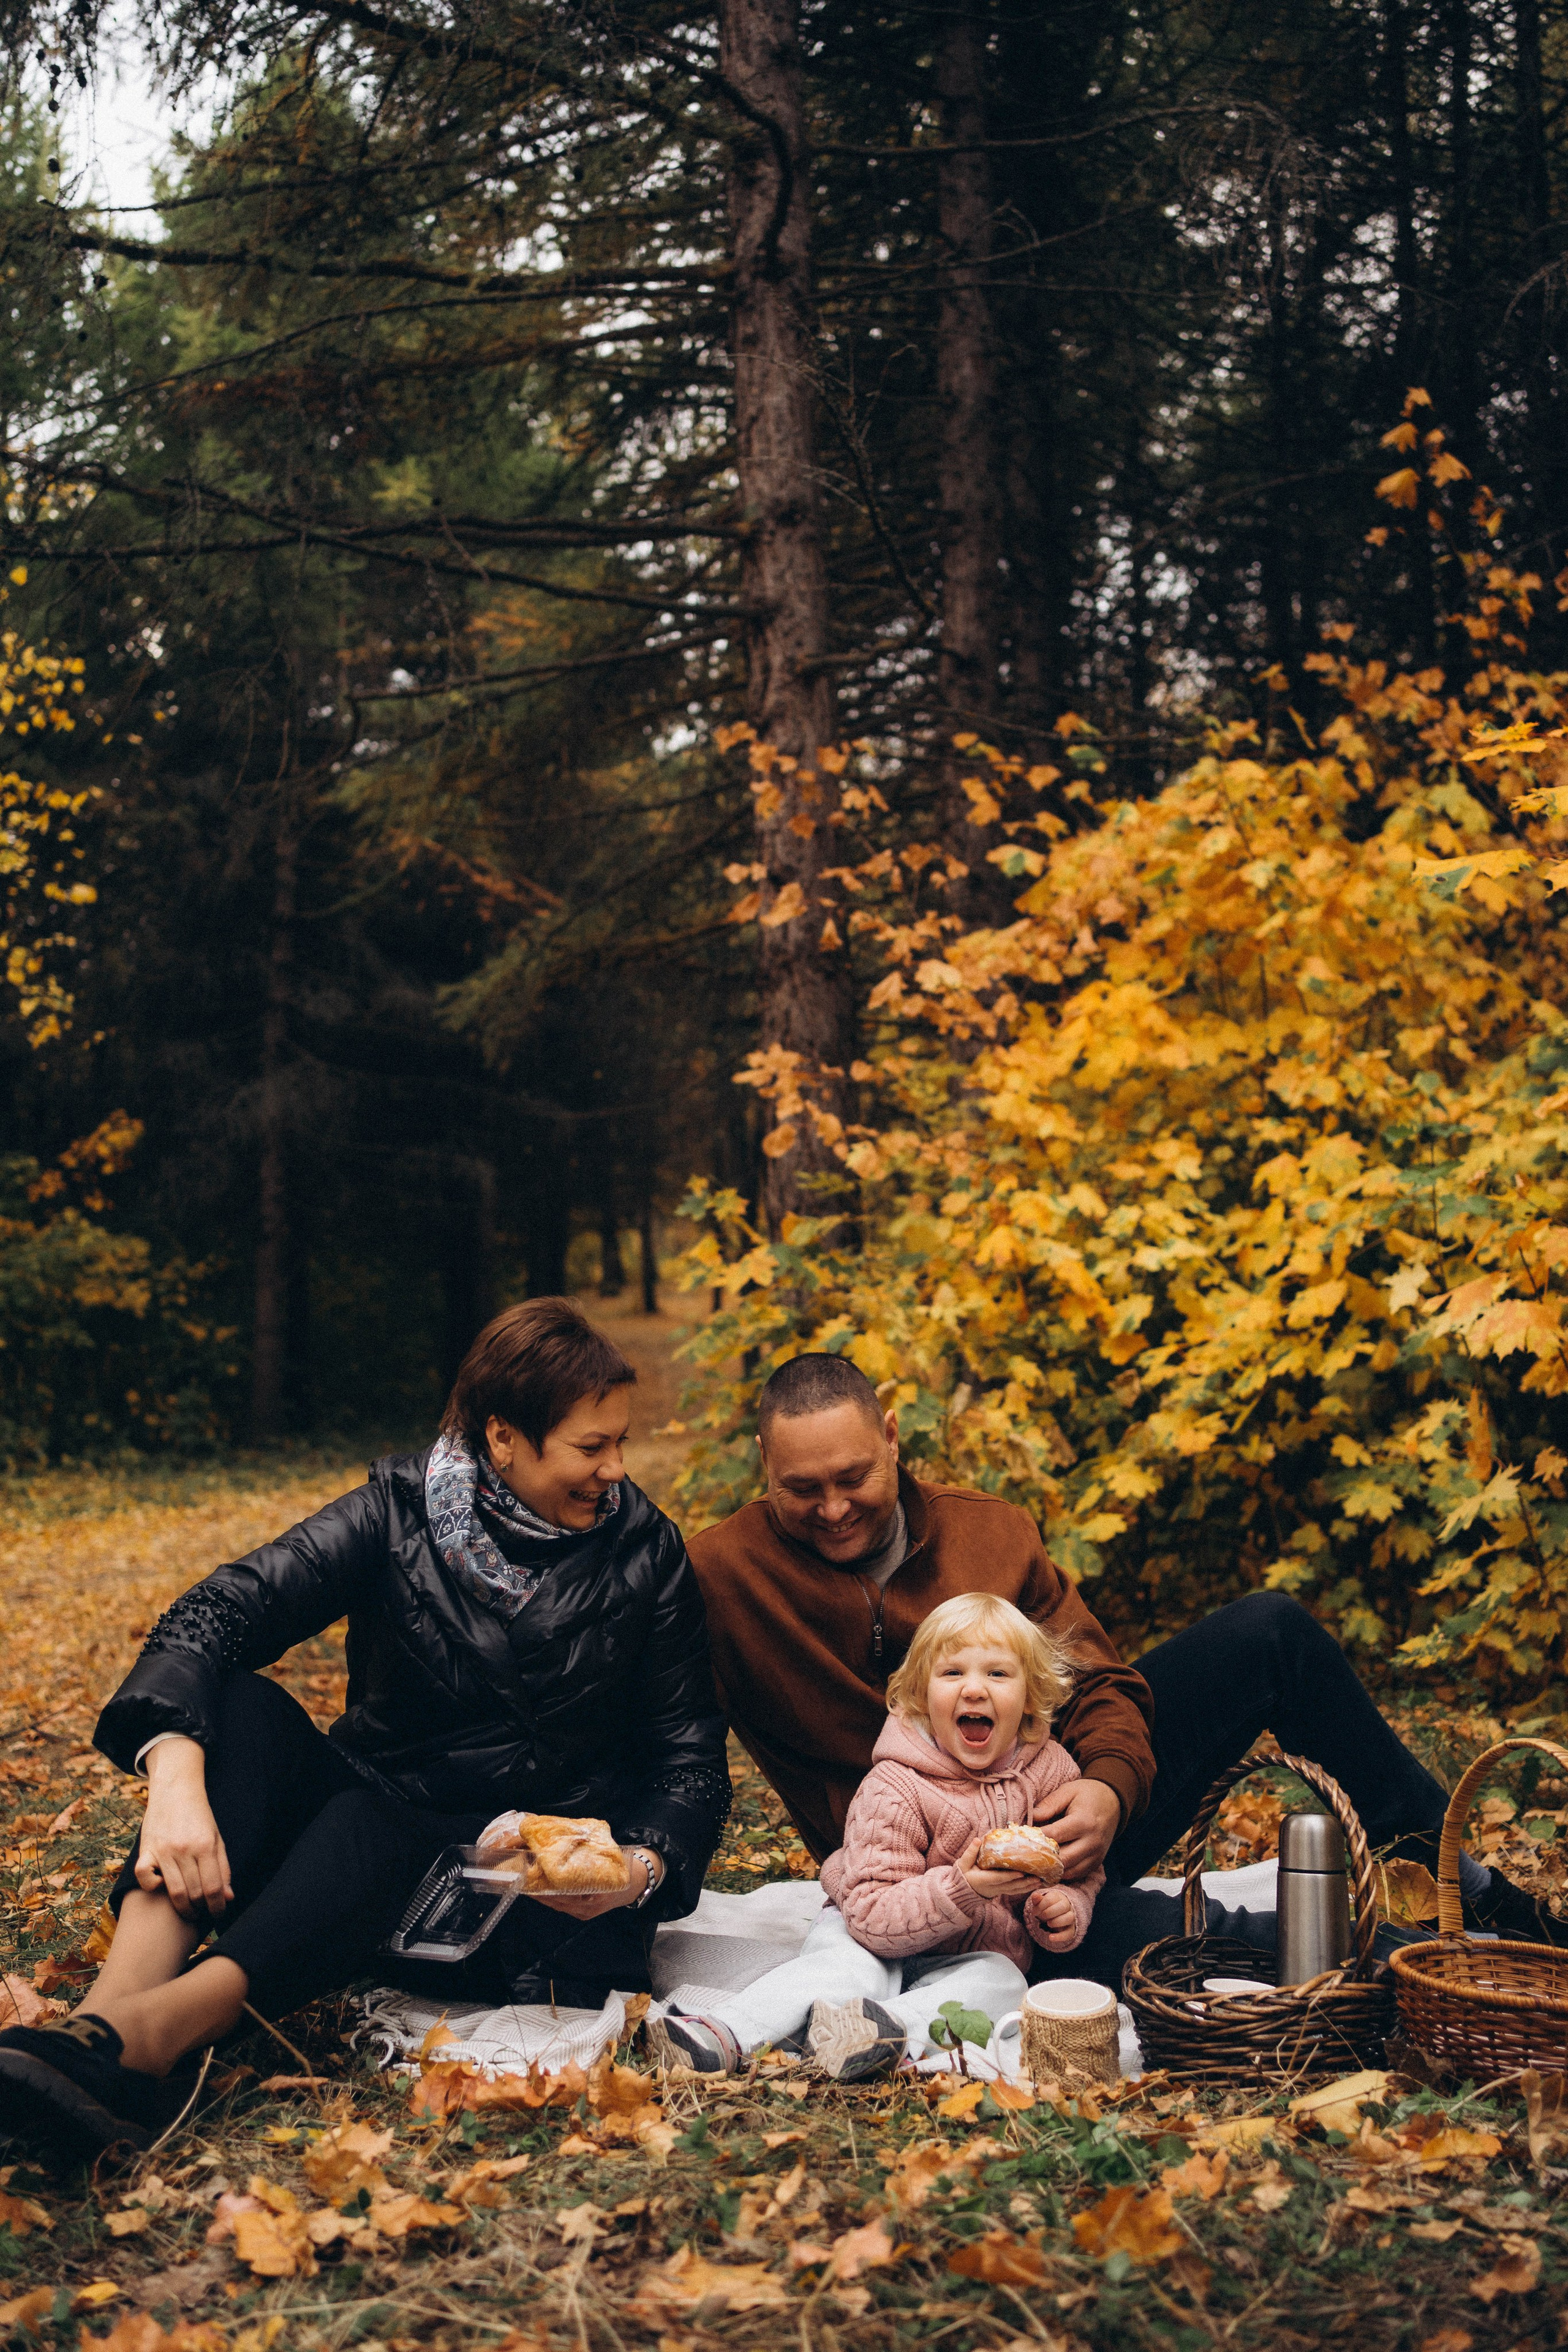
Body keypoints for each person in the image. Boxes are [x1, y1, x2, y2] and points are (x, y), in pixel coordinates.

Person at [0, 1299, 729, 2157]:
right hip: (344, 1866)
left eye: (620, 1445)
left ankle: (153, 2039)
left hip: (519, 1898)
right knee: (244, 1711)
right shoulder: (394, 1514)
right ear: (502, 1438)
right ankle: (92, 2036)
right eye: (590, 1447)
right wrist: (173, 1778)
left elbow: (690, 1760)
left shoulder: (647, 1551)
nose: (615, 1470)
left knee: (369, 1824)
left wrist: (639, 1868)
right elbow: (214, 1612)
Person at [688, 1353, 1562, 1988]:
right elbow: (656, 1733)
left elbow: (1101, 1684)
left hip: (1063, 1827)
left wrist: (1106, 1791)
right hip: (928, 1888)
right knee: (1179, 1939)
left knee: (1271, 1630)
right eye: (802, 1490)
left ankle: (1470, 1892)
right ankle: (1397, 1961)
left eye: (853, 1478)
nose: (834, 1509)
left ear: (890, 1437)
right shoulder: (722, 1578)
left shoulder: (988, 1533)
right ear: (765, 1466)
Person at [648, 1592, 1104, 2080]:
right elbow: (870, 1917)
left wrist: (1065, 1906)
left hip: (971, 1952)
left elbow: (1079, 1866)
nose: (974, 1690)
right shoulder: (895, 1786)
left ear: (1032, 1694)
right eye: (952, 1673)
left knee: (1006, 1982)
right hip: (869, 1932)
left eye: (997, 1673)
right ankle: (725, 2033)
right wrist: (963, 1888)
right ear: (921, 1696)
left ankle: (879, 2036)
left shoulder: (1053, 1772)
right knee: (848, 1973)